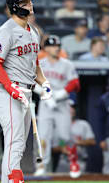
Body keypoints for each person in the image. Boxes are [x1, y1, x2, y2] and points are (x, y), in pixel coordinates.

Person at [0, 0, 52, 183]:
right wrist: (11, 88)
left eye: (30, 1)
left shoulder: (33, 31)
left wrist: (44, 82)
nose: (30, 5)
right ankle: (14, 180)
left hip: (27, 92)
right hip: (9, 92)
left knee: (19, 146)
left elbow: (35, 63)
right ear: (14, 6)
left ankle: (8, 180)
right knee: (14, 142)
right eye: (25, 2)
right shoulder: (6, 31)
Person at [33, 35, 80, 176]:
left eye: (58, 45)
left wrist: (62, 93)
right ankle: (41, 166)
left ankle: (73, 162)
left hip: (61, 103)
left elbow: (75, 83)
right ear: (46, 48)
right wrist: (44, 94)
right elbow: (30, 81)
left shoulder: (67, 64)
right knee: (42, 136)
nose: (56, 48)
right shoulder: (39, 64)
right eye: (53, 46)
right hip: (45, 104)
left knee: (65, 136)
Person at [52, 106, 95, 174]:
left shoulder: (83, 124)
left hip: (79, 160)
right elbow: (53, 148)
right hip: (64, 161)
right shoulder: (58, 126)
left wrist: (78, 142)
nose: (70, 110)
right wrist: (62, 148)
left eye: (72, 108)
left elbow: (92, 141)